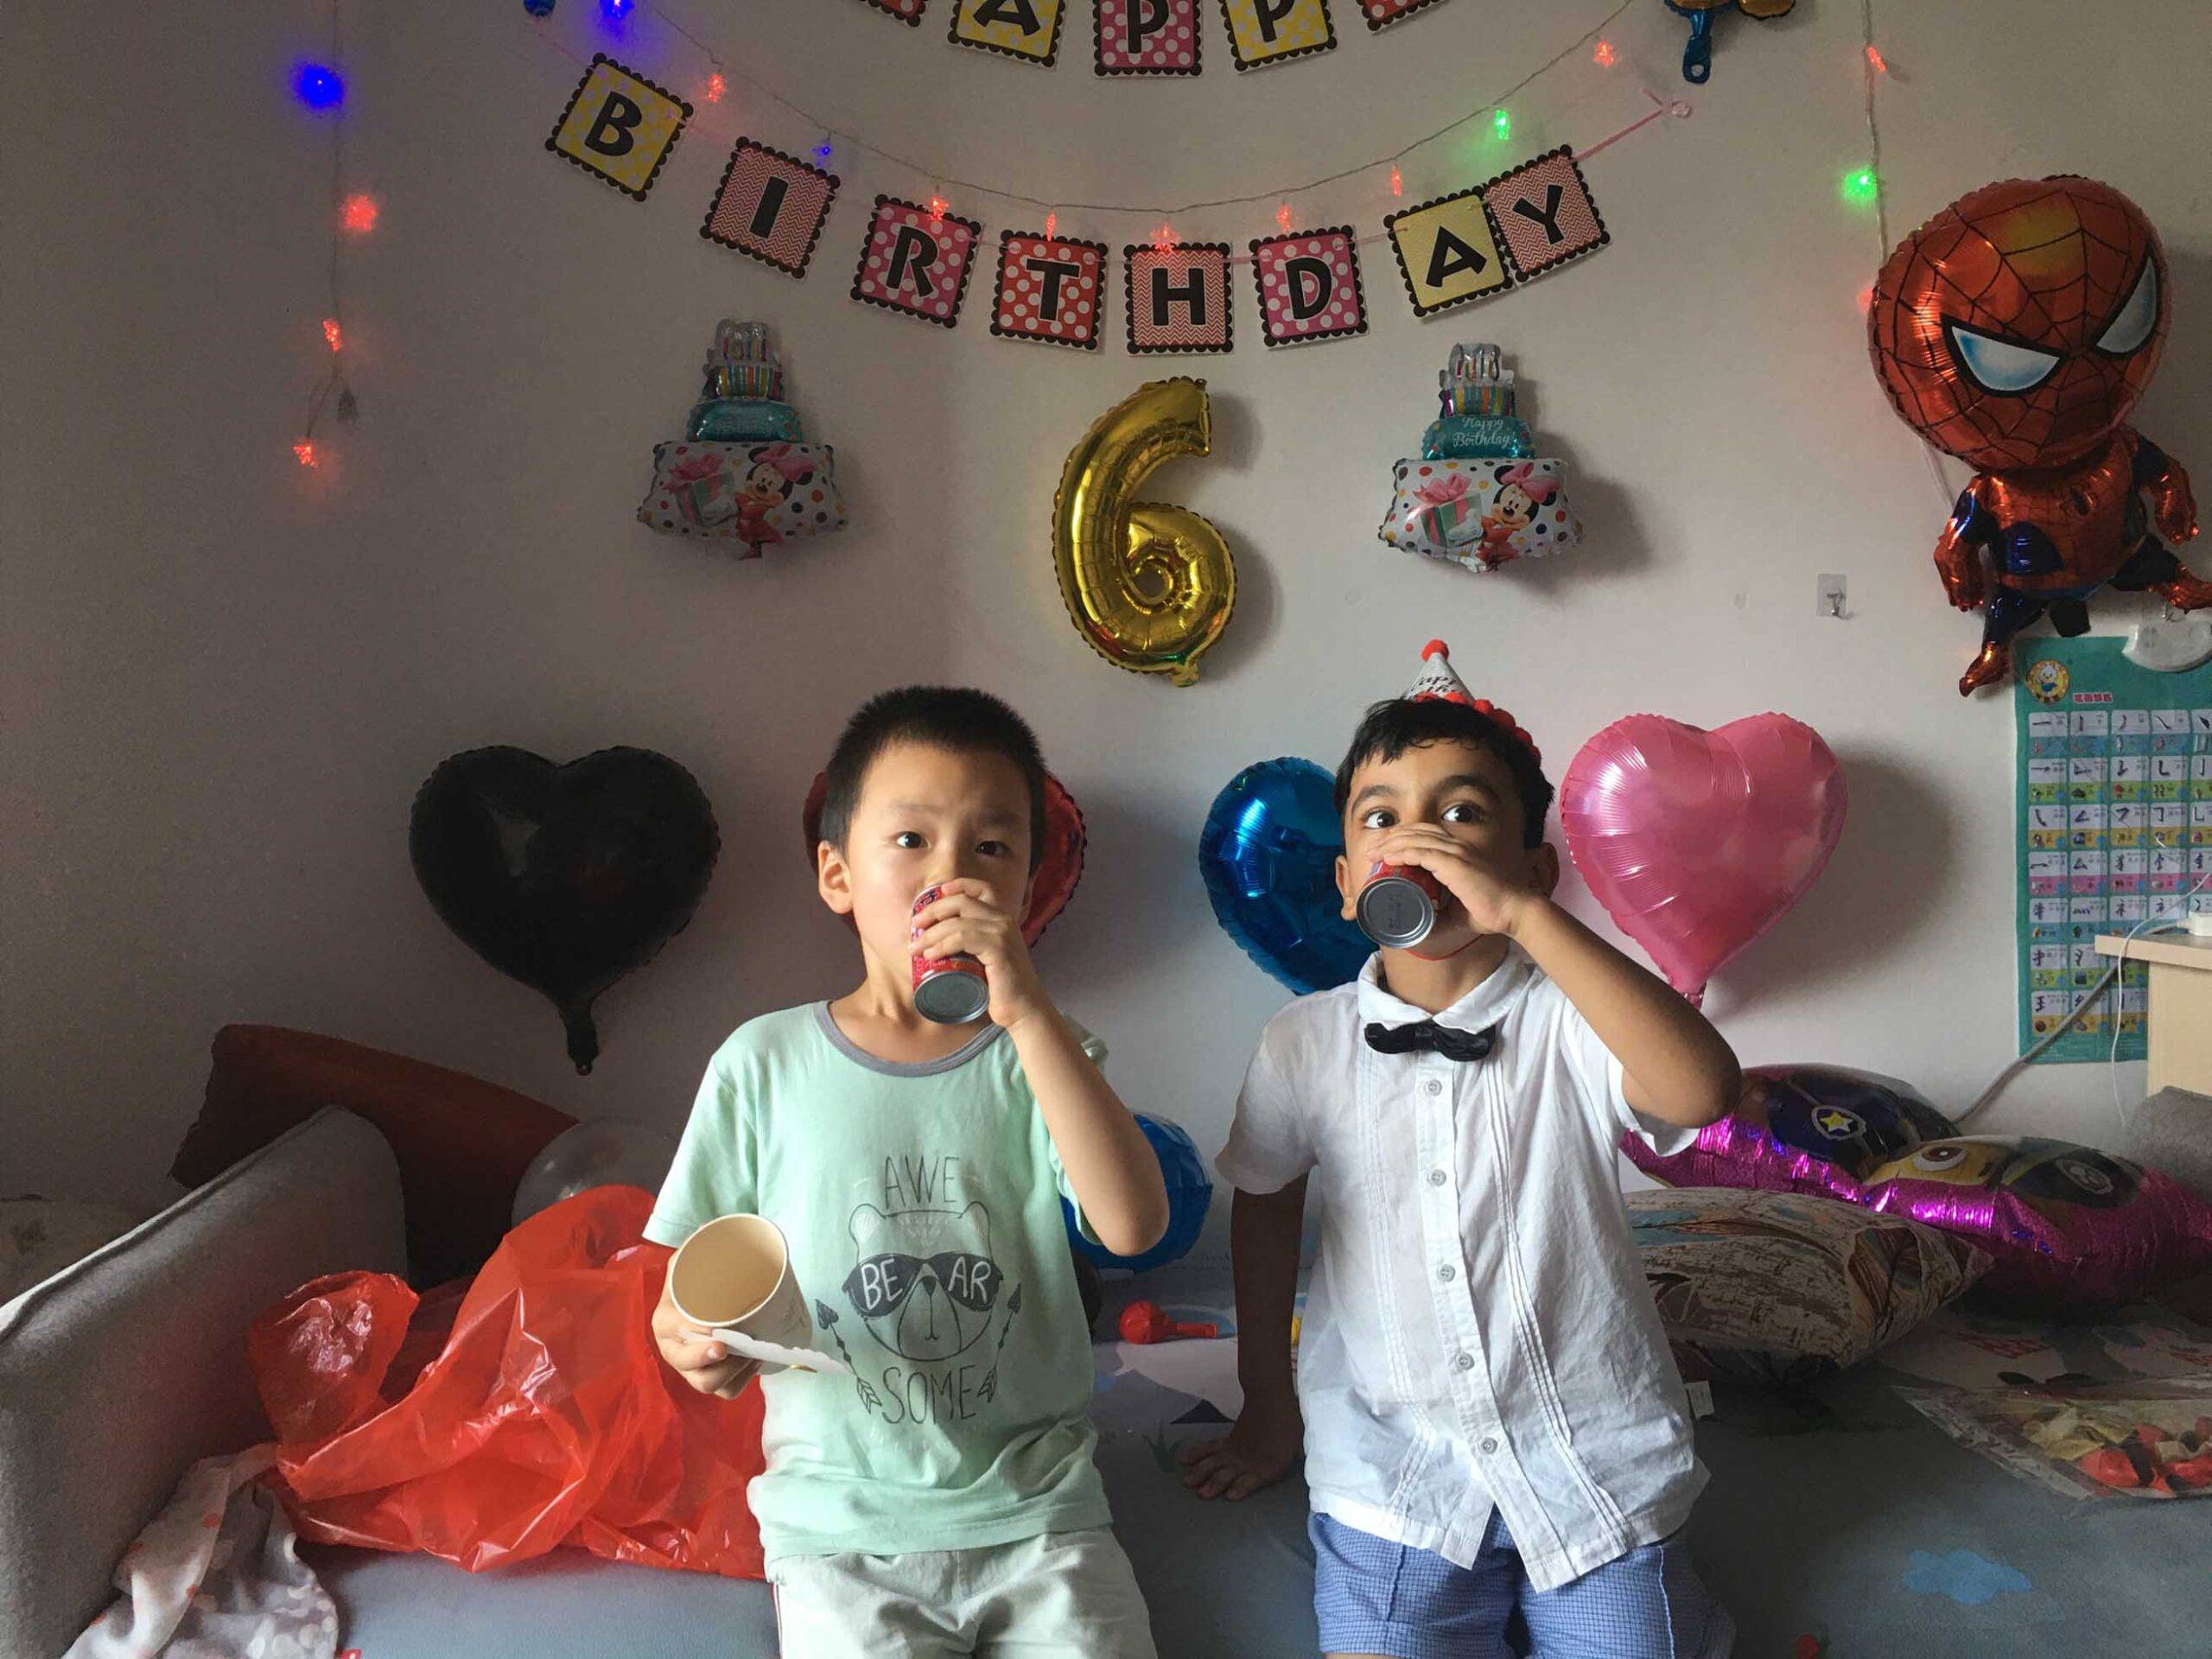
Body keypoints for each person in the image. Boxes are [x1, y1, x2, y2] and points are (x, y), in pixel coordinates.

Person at [1181, 640, 1740, 1659]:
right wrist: (1267, 1404)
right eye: (1381, 817)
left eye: (1463, 813)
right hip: (1394, 1475)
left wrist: (1525, 920)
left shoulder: (1575, 1017)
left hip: (1591, 1461)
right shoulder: (1304, 1041)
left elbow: (1701, 1091)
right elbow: (1263, 1207)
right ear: (1348, 881)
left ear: (1533, 868)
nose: (1420, 840)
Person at [645, 685, 1168, 1658]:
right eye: (912, 840)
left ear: (1027, 893)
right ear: (837, 875)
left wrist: (1028, 1013)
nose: (952, 876)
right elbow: (686, 1286)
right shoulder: (762, 1063)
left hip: (1040, 1516)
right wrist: (689, 1337)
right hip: (840, 1531)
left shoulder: (1040, 1052)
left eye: (992, 847)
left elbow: (1134, 1226)